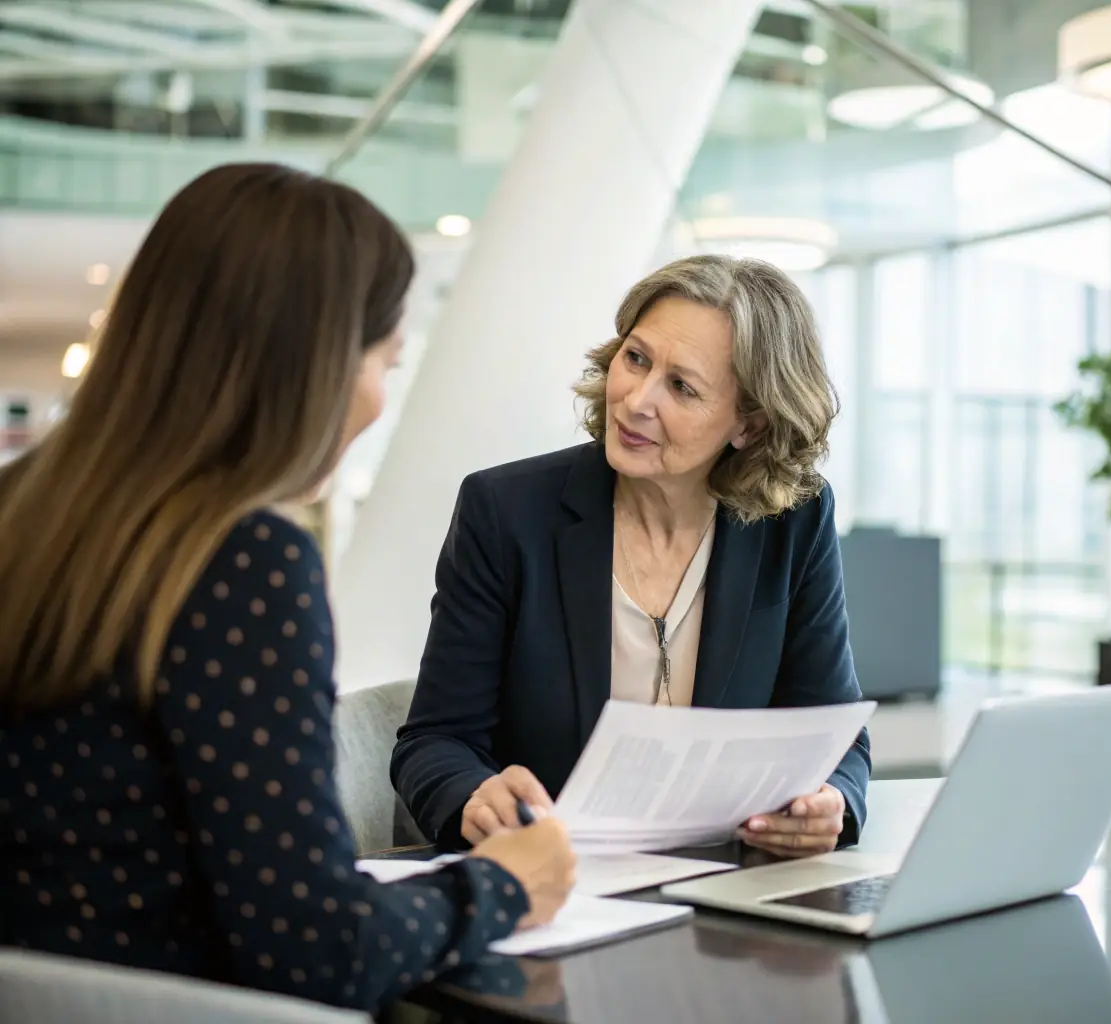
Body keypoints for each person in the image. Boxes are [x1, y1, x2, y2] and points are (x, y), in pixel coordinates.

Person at [0, 164, 575, 1013]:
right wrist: (499, 887)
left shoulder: (26, 514)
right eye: (386, 361)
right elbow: (316, 950)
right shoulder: (240, 563)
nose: (379, 398)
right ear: (316, 366)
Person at [393, 254, 871, 859]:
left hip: (731, 887)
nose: (636, 400)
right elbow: (434, 742)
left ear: (748, 424)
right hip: (558, 888)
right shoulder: (506, 511)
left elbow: (834, 733)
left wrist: (832, 803)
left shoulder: (794, 518)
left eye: (682, 387)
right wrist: (475, 795)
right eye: (636, 358)